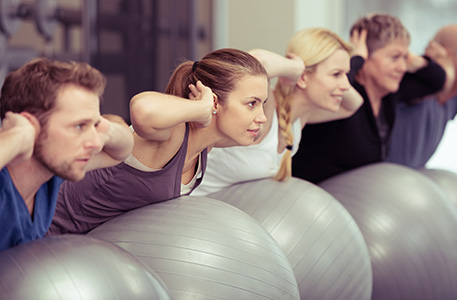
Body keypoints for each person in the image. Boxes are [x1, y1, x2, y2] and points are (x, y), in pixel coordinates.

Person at [48, 48, 268, 235]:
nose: (262, 117)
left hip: (89, 249)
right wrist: (201, 108)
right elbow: (141, 109)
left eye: (262, 104)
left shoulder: (207, 142)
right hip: (49, 233)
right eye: (251, 104)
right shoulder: (175, 133)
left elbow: (264, 64)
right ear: (215, 102)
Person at [192, 27, 364, 196]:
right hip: (187, 207)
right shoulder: (265, 108)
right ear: (303, 77)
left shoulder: (300, 118)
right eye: (336, 74)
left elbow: (354, 104)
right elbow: (255, 62)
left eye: (345, 74)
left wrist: (353, 61)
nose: (345, 85)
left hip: (220, 211)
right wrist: (296, 67)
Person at [292, 13, 448, 183]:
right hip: (312, 196)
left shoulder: (391, 94)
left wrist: (417, 60)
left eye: (405, 57)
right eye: (395, 57)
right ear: (366, 57)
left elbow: (437, 81)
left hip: (355, 199)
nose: (402, 67)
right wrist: (357, 58)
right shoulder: (341, 95)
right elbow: (336, 83)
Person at [0, 57, 134, 251]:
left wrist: (102, 127)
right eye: (79, 126)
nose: (95, 143)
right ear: (30, 126)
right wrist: (18, 135)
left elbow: (119, 152)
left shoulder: (50, 174)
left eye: (93, 126)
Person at [386, 24, 457, 168]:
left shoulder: (453, 99)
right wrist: (445, 63)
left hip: (405, 183)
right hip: (379, 182)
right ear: (448, 54)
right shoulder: (417, 86)